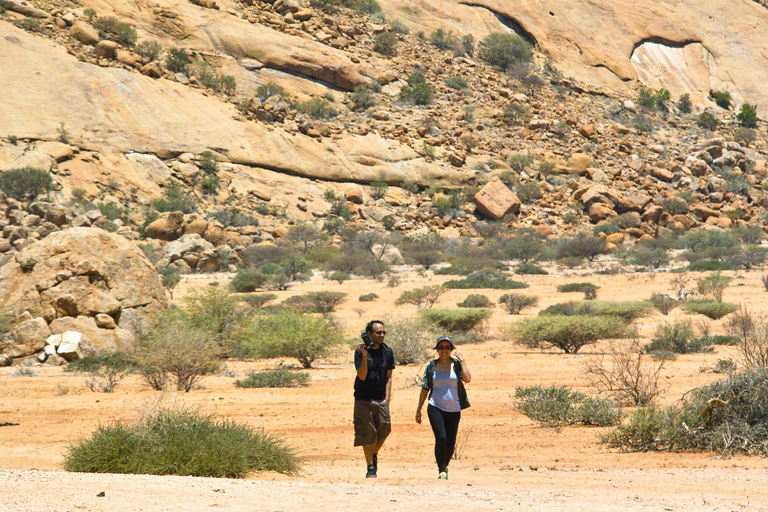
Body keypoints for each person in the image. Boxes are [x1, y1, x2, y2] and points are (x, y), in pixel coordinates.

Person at [415, 335, 471, 480]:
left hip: (454, 407)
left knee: (450, 441)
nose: (444, 350)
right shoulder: (431, 366)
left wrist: (463, 361)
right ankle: (441, 469)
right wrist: (419, 409)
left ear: (451, 349)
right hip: (435, 406)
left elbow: (467, 379)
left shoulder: (457, 365)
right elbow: (425, 387)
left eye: (447, 347)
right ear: (437, 350)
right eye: (441, 347)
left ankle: (445, 465)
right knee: (441, 437)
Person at [353, 320, 395, 478]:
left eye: (383, 332)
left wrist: (387, 398)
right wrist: (364, 356)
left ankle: (373, 453)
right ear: (369, 334)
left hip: (380, 398)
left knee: (385, 428)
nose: (382, 335)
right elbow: (361, 375)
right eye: (378, 333)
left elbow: (389, 377)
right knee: (367, 431)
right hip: (363, 397)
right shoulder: (360, 352)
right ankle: (370, 466)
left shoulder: (387, 351)